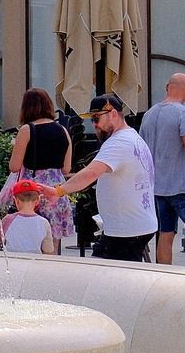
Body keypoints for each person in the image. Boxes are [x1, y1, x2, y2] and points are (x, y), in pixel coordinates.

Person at [45, 94, 154, 261]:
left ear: (113, 114)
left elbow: (92, 173)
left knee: (104, 278)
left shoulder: (117, 142)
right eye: (92, 120)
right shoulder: (132, 137)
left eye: (96, 118)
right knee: (112, 278)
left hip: (125, 230)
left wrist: (58, 191)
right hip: (134, 226)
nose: (94, 125)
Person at [141, 73, 185, 267]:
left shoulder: (149, 114)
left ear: (167, 87)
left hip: (157, 186)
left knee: (165, 232)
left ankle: (164, 275)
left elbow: (143, 150)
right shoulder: (184, 114)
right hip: (182, 185)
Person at [7, 87, 74, 245]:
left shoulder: (27, 130)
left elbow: (14, 166)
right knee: (52, 243)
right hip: (57, 190)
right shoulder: (62, 130)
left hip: (32, 190)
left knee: (31, 239)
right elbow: (67, 168)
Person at [0, 180, 60, 255]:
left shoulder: (8, 220)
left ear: (16, 200)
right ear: (37, 200)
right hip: (35, 264)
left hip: (12, 262)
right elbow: (48, 251)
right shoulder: (44, 223)